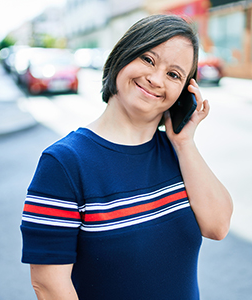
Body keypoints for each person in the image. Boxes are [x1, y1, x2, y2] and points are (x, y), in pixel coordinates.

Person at [20, 14, 233, 300]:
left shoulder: (178, 152)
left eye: (174, 75)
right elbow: (48, 285)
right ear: (122, 57)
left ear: (184, 93)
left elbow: (218, 226)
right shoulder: (64, 163)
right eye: (147, 59)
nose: (156, 79)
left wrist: (184, 143)